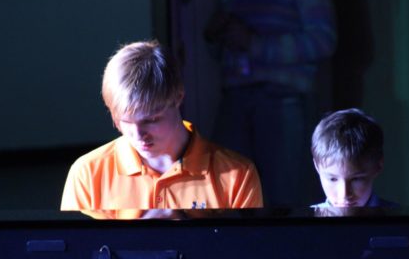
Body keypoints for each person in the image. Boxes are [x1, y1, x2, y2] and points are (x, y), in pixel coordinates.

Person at [60, 40, 264, 219]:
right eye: (126, 122)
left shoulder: (237, 174)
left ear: (178, 97)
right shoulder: (88, 173)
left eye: (151, 119)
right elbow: (78, 257)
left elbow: (247, 257)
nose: (138, 135)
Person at [204, 0, 337, 208]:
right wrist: (217, 35)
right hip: (234, 99)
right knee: (223, 198)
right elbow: (224, 47)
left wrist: (255, 44)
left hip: (283, 99)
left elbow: (323, 39)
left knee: (283, 203)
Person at [310, 108, 397, 208]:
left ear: (378, 165)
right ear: (317, 167)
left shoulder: (401, 219)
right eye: (332, 179)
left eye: (356, 179)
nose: (344, 195)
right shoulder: (305, 220)